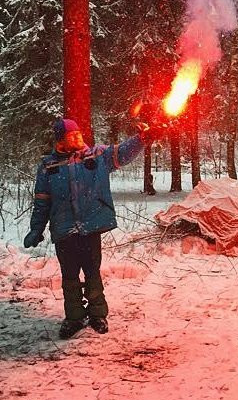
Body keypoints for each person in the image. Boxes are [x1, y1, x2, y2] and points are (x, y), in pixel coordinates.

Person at [24, 117, 165, 338]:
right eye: (73, 136)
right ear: (61, 140)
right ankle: (74, 318)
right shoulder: (48, 166)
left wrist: (141, 139)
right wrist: (36, 229)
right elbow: (42, 201)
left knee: (92, 272)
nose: (79, 138)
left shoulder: (97, 156)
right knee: (69, 275)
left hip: (90, 228)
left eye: (79, 134)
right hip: (64, 230)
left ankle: (98, 314)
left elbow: (123, 153)